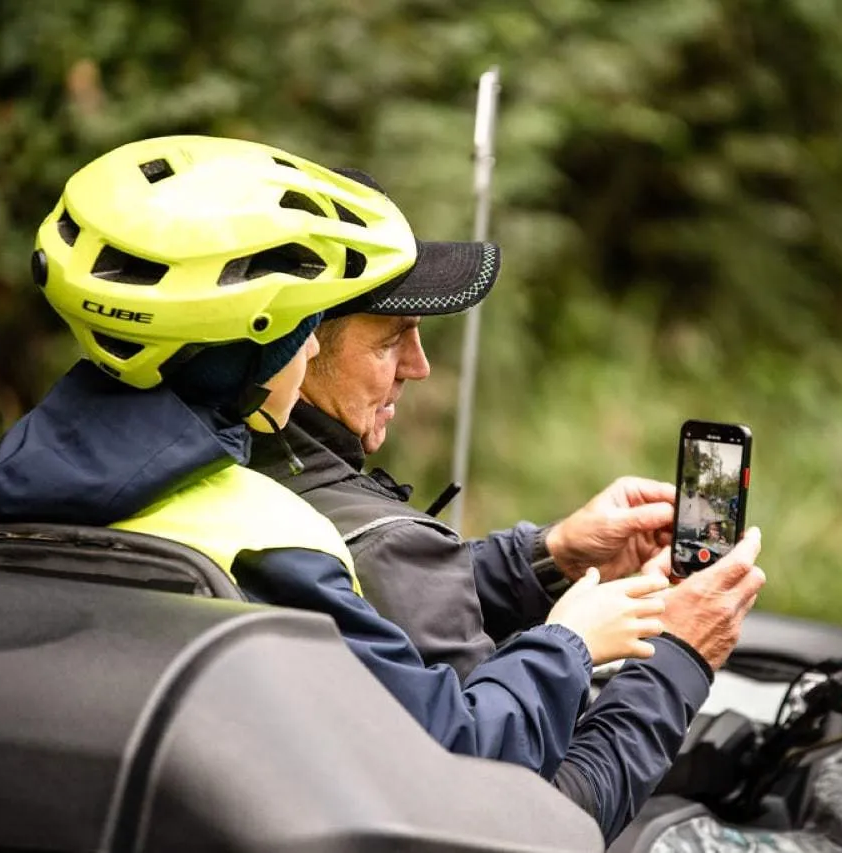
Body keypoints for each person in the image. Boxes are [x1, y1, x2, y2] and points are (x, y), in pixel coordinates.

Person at [0, 136, 764, 844]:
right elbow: (456, 763)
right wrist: (572, 641)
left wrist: (540, 559)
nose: (310, 350)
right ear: (260, 343)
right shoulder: (275, 535)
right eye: (304, 329)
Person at [247, 198, 768, 838]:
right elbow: (531, 822)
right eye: (390, 340)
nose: (419, 365)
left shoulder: (223, 485)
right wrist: (678, 657)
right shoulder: (377, 544)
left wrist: (554, 556)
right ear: (291, 345)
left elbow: (375, 604)